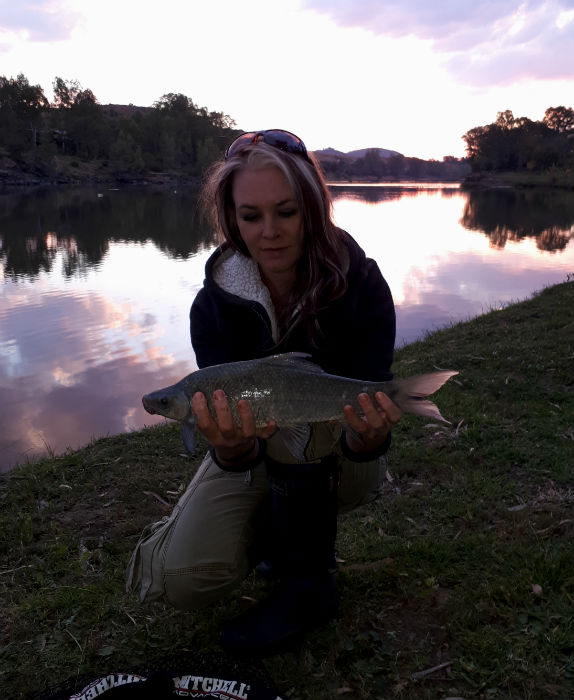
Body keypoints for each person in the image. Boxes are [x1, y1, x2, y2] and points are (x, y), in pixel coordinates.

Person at [126, 129, 402, 655]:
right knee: (182, 577)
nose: (270, 232)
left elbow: (367, 412)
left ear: (314, 209)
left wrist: (369, 435)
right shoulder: (212, 308)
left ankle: (308, 586)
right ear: (232, 219)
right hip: (262, 448)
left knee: (305, 427)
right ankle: (276, 535)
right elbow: (241, 447)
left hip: (340, 453)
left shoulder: (363, 284)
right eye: (251, 217)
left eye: (287, 212)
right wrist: (230, 446)